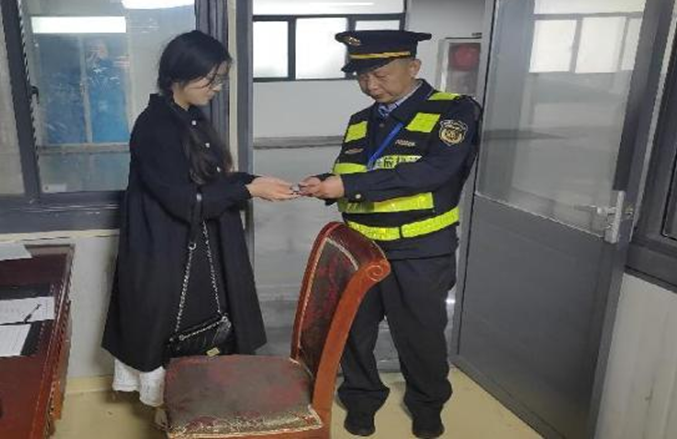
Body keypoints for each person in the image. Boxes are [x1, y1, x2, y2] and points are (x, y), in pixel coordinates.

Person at [102, 30, 296, 425]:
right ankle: (175, 416)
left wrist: (253, 181)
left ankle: (200, 408)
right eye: (211, 79)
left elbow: (209, 180)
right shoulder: (156, 126)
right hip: (168, 251)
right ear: (178, 75)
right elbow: (182, 199)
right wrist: (246, 189)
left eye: (221, 79)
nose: (217, 88)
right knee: (172, 335)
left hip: (198, 242)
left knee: (208, 333)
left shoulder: (189, 116)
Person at [300, 30, 481, 439]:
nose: (370, 85)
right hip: (361, 248)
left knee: (419, 334)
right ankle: (361, 398)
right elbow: (355, 172)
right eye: (362, 77)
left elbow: (433, 172)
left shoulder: (452, 112)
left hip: (419, 251)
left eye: (380, 74)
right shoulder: (361, 121)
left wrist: (349, 186)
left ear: (414, 67)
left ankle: (427, 404)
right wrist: (326, 182)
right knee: (352, 330)